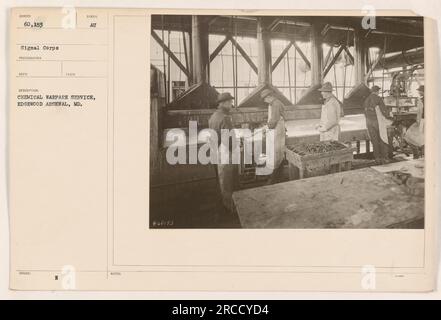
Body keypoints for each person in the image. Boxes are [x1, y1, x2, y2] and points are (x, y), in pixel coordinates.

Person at [208, 92, 238, 212]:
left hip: (217, 150)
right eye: (230, 102)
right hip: (226, 151)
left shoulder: (213, 116)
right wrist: (235, 146)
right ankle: (231, 208)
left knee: (222, 179)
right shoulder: (226, 118)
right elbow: (228, 139)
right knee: (228, 180)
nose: (231, 104)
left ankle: (226, 204)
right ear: (224, 103)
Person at [260, 88, 286, 185]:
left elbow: (274, 120)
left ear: (269, 96)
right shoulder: (273, 104)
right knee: (276, 154)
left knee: (276, 155)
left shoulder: (275, 104)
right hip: (275, 131)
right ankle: (277, 177)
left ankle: (274, 179)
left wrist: (265, 128)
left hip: (277, 131)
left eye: (265, 99)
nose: (265, 101)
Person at [363, 85, 392, 164]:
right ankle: (385, 158)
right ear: (377, 91)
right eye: (378, 91)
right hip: (377, 122)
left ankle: (377, 159)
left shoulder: (366, 100)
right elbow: (384, 111)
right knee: (383, 138)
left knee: (374, 140)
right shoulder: (378, 99)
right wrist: (390, 116)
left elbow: (365, 112)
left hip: (369, 122)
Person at [404, 85, 424, 158]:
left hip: (422, 121)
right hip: (423, 120)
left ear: (423, 91)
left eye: (419, 91)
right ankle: (419, 154)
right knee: (419, 138)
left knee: (408, 136)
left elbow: (420, 112)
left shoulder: (421, 100)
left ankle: (416, 155)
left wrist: (418, 121)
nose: (418, 92)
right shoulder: (424, 99)